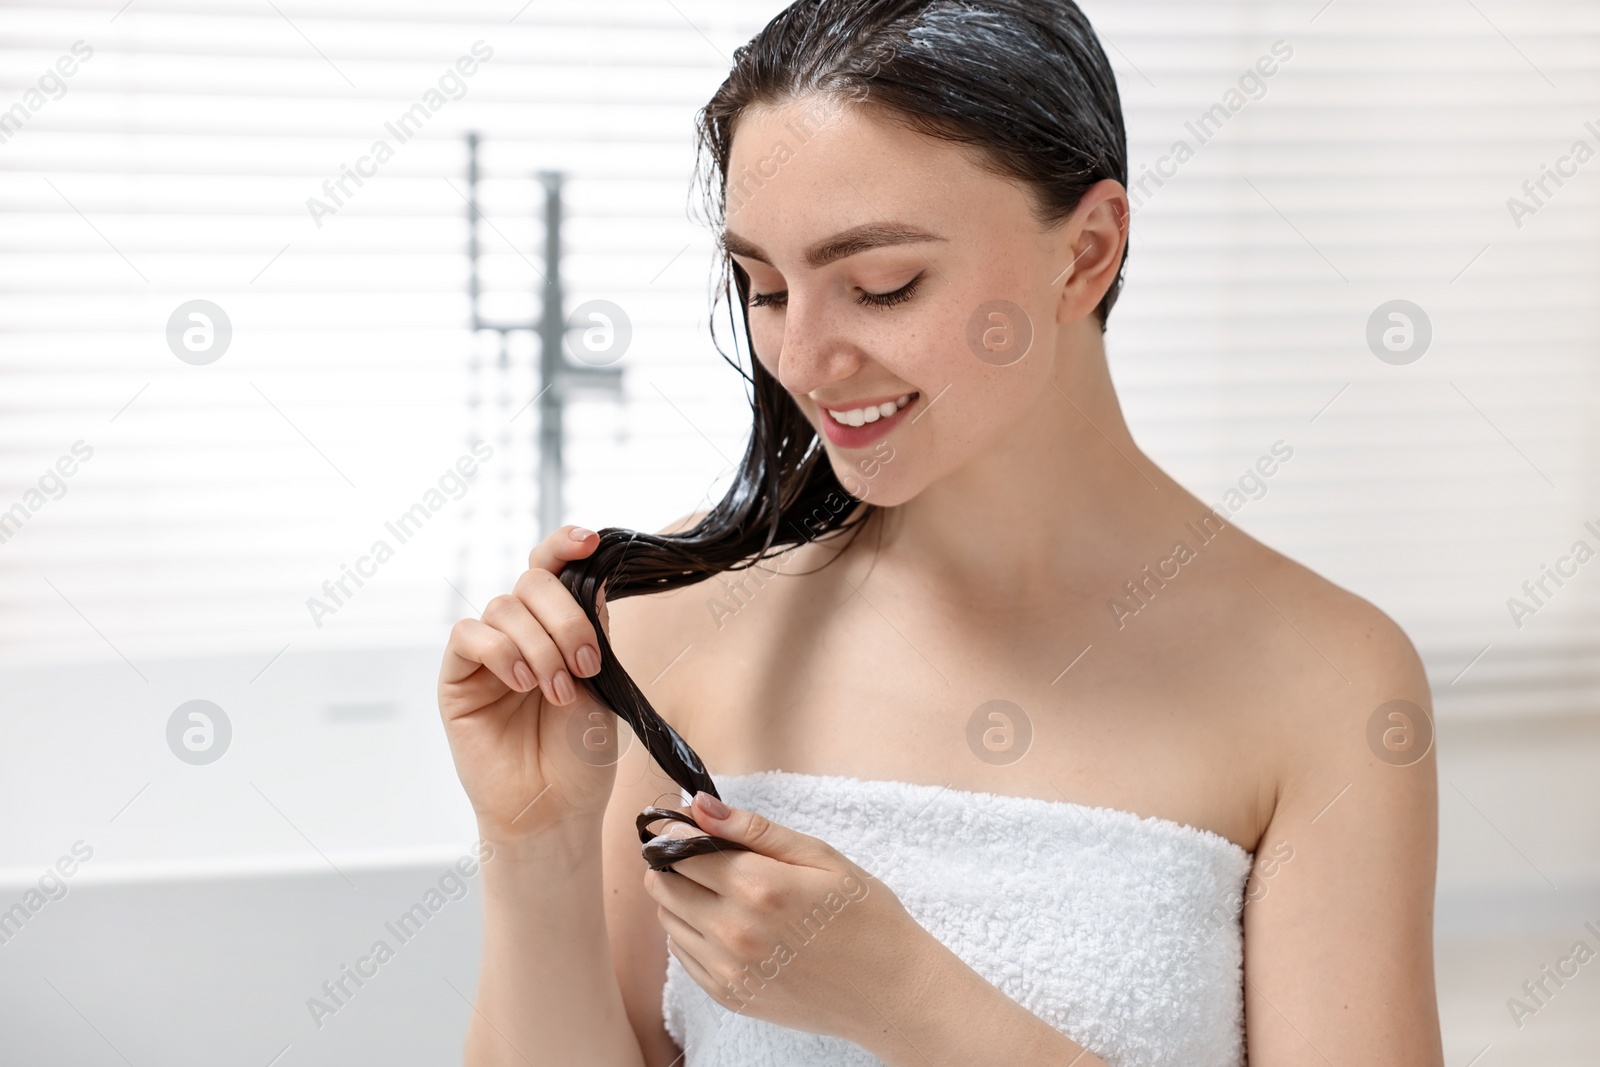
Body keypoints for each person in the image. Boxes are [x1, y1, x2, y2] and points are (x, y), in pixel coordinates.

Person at [438, 1, 1444, 1063]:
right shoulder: (675, 616)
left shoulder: (1322, 678)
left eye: (882, 284)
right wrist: (533, 846)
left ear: (1087, 251)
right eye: (765, 286)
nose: (806, 357)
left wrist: (910, 997)